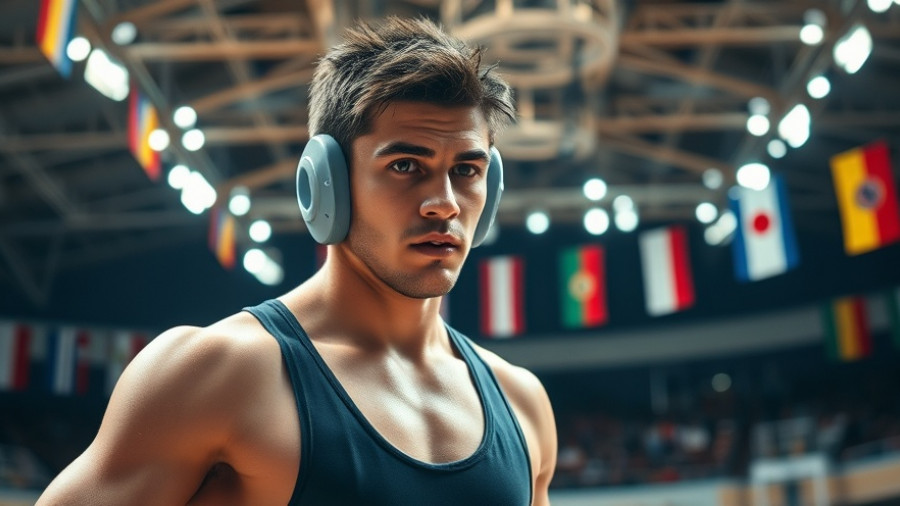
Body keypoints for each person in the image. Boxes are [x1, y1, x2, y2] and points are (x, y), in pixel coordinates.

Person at [37, 16, 557, 505]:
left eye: (467, 170)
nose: (443, 202)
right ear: (326, 183)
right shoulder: (217, 373)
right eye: (406, 165)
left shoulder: (523, 403)